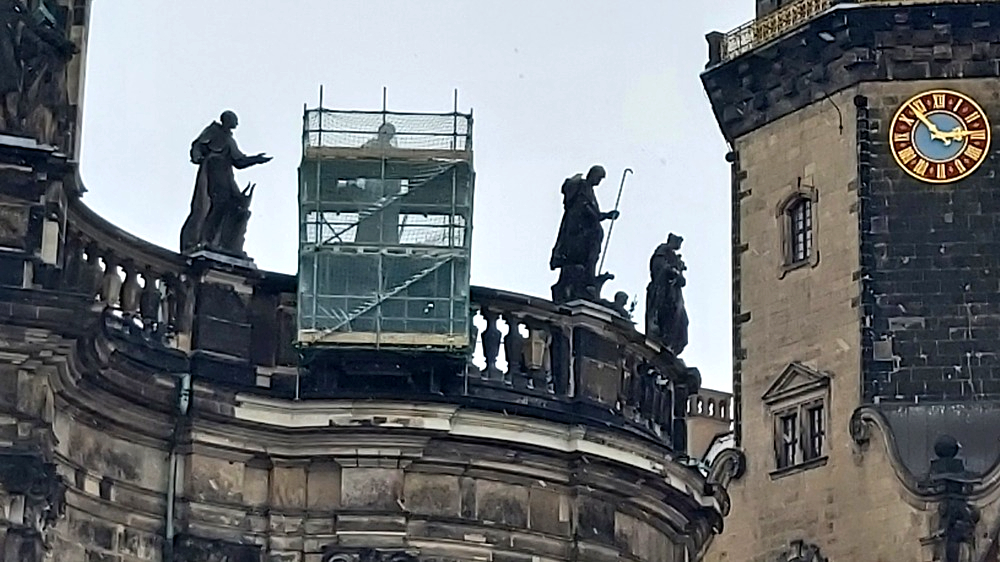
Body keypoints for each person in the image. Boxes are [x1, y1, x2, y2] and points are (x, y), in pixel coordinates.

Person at [180, 111, 271, 256]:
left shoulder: (229, 139)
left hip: (226, 174)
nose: (237, 123)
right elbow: (197, 145)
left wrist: (256, 159)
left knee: (235, 203)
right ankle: (207, 240)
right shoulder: (214, 131)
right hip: (215, 172)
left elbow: (239, 161)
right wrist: (197, 156)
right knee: (218, 204)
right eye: (235, 120)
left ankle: (223, 241)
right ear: (227, 120)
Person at [549, 165, 619, 303]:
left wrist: (604, 215)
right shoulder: (582, 186)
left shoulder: (589, 190)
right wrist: (602, 216)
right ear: (593, 174)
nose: (599, 181)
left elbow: (591, 210)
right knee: (580, 256)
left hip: (585, 232)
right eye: (599, 178)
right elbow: (585, 207)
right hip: (578, 230)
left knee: (588, 258)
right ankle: (583, 284)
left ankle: (588, 281)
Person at [645, 233, 689, 354]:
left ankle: (672, 348)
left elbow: (681, 279)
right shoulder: (663, 250)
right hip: (664, 292)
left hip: (675, 294)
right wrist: (672, 271)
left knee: (683, 322)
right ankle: (664, 342)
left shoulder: (674, 256)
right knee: (668, 316)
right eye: (678, 242)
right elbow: (658, 266)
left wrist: (679, 275)